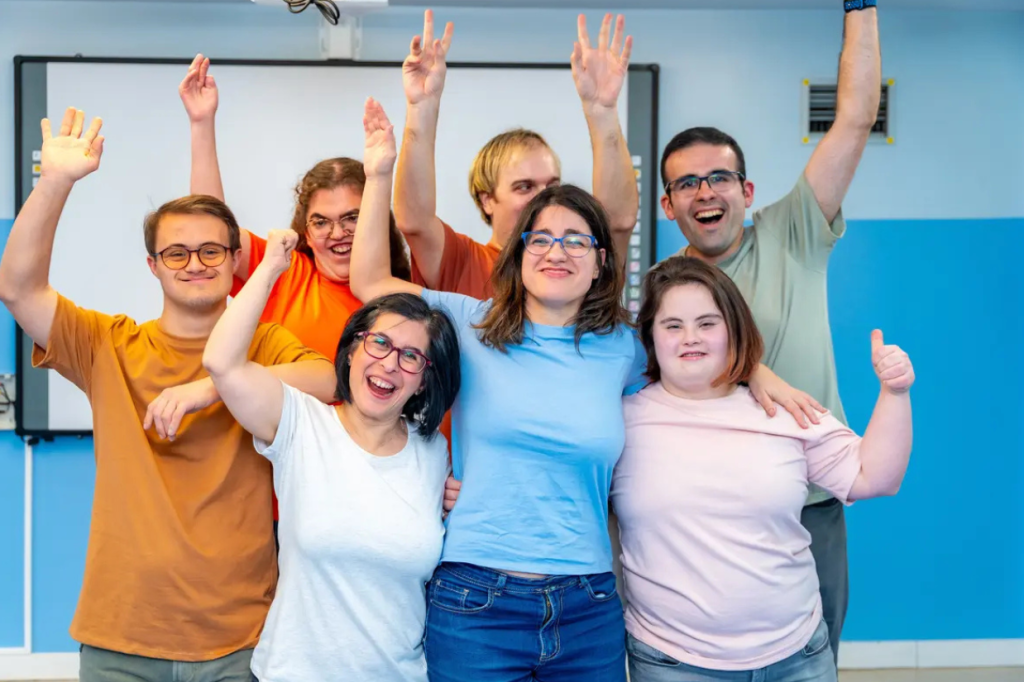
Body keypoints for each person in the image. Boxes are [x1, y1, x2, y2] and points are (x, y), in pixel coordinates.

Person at [350, 98, 809, 682]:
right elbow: (369, 282)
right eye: (540, 239)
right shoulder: (469, 324)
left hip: (588, 604)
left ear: (599, 263)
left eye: (576, 241)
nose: (557, 252)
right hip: (475, 599)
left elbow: (700, 353)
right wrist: (378, 171)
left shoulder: (623, 346)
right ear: (519, 257)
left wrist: (757, 369)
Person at [0, 108, 336, 681]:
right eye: (176, 253)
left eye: (212, 252)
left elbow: (328, 380)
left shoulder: (267, 344)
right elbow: (18, 288)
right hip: (121, 636)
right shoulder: (108, 344)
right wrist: (54, 182)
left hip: (243, 641)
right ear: (154, 266)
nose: (195, 264)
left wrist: (213, 386)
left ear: (236, 263)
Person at [657, 0, 882, 656]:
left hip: (810, 505)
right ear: (669, 204)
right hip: (708, 513)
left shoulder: (794, 231)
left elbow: (856, 117)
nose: (706, 192)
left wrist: (860, 8)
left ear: (747, 191)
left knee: (812, 662)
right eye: (688, 183)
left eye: (719, 177)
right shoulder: (665, 288)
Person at [612, 256, 913, 682]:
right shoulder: (619, 423)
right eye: (672, 325)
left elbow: (875, 476)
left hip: (797, 658)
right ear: (650, 337)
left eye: (707, 323)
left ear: (733, 330)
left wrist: (894, 392)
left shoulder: (782, 409)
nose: (690, 338)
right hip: (673, 663)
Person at [202, 227, 461, 681]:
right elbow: (222, 364)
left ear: (423, 379)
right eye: (379, 343)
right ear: (353, 347)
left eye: (411, 357)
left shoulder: (435, 452)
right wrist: (268, 270)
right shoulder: (301, 422)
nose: (388, 364)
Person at [179, 53, 412, 360]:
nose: (338, 232)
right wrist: (201, 122)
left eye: (351, 217)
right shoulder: (285, 274)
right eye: (321, 222)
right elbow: (211, 230)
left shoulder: (409, 291)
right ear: (306, 231)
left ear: (375, 218)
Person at [394, 10, 639, 300]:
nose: (543, 196)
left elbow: (618, 222)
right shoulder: (465, 261)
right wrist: (421, 108)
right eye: (524, 186)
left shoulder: (577, 263)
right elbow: (414, 220)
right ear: (487, 200)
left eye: (552, 185)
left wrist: (603, 112)